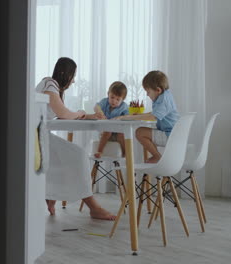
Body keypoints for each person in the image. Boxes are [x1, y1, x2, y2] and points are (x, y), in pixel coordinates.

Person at [35, 57, 115, 220]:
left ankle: (51, 196)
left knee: (70, 157)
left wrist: (88, 115)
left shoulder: (52, 87)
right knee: (77, 156)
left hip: (39, 134)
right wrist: (81, 113)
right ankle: (93, 207)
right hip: (34, 137)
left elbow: (63, 114)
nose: (73, 80)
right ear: (65, 73)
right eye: (73, 75)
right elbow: (63, 114)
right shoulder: (50, 84)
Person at [114, 70, 179, 163]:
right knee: (142, 131)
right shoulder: (166, 96)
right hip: (173, 133)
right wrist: (140, 115)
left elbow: (153, 117)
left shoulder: (163, 100)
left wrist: (128, 118)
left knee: (140, 132)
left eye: (148, 91)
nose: (147, 94)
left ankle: (157, 157)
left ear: (158, 90)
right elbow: (153, 113)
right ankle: (157, 157)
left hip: (169, 135)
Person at [93, 81, 129, 158]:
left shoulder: (124, 106)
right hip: (105, 132)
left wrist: (121, 118)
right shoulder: (105, 102)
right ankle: (99, 151)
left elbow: (128, 117)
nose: (114, 101)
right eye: (112, 97)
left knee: (121, 134)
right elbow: (96, 106)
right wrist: (100, 112)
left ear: (122, 100)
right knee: (108, 130)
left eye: (118, 99)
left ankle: (124, 153)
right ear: (108, 94)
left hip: (118, 132)